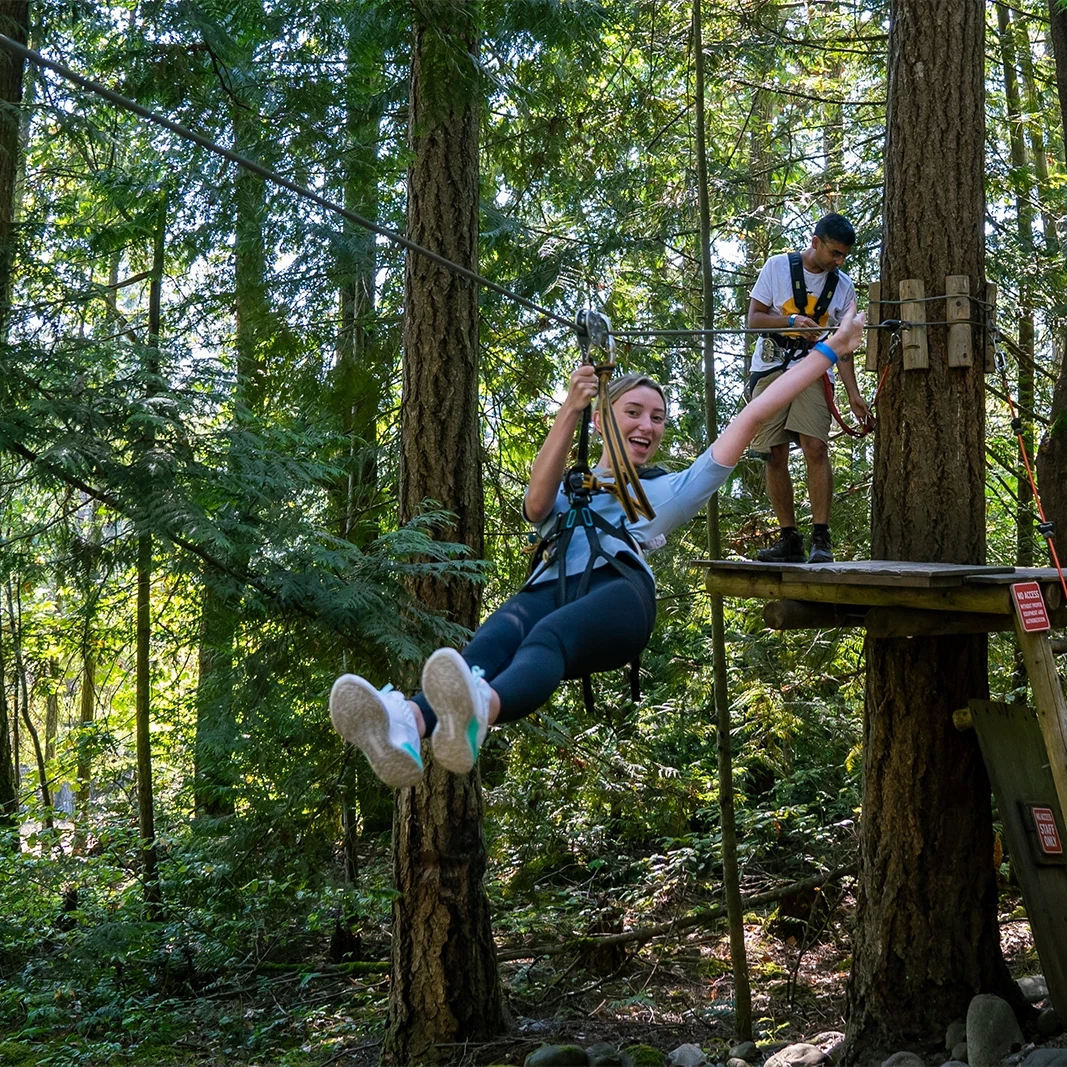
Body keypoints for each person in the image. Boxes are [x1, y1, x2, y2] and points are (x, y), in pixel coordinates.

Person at [329, 303, 866, 786]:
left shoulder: (664, 492)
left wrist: (830, 350)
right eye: (633, 412)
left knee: (548, 635)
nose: (648, 425)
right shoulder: (575, 489)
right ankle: (408, 726)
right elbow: (537, 505)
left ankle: (480, 711)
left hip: (620, 596)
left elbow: (752, 416)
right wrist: (571, 407)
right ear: (606, 417)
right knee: (491, 640)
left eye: (657, 418)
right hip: (552, 584)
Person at [746, 213, 871, 564]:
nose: (838, 261)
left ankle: (820, 536)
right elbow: (754, 320)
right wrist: (789, 321)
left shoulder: (843, 287)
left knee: (815, 445)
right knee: (773, 452)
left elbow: (843, 346)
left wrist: (852, 394)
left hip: (814, 370)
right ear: (815, 242)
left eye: (844, 255)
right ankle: (789, 538)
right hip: (771, 367)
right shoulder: (777, 267)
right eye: (834, 252)